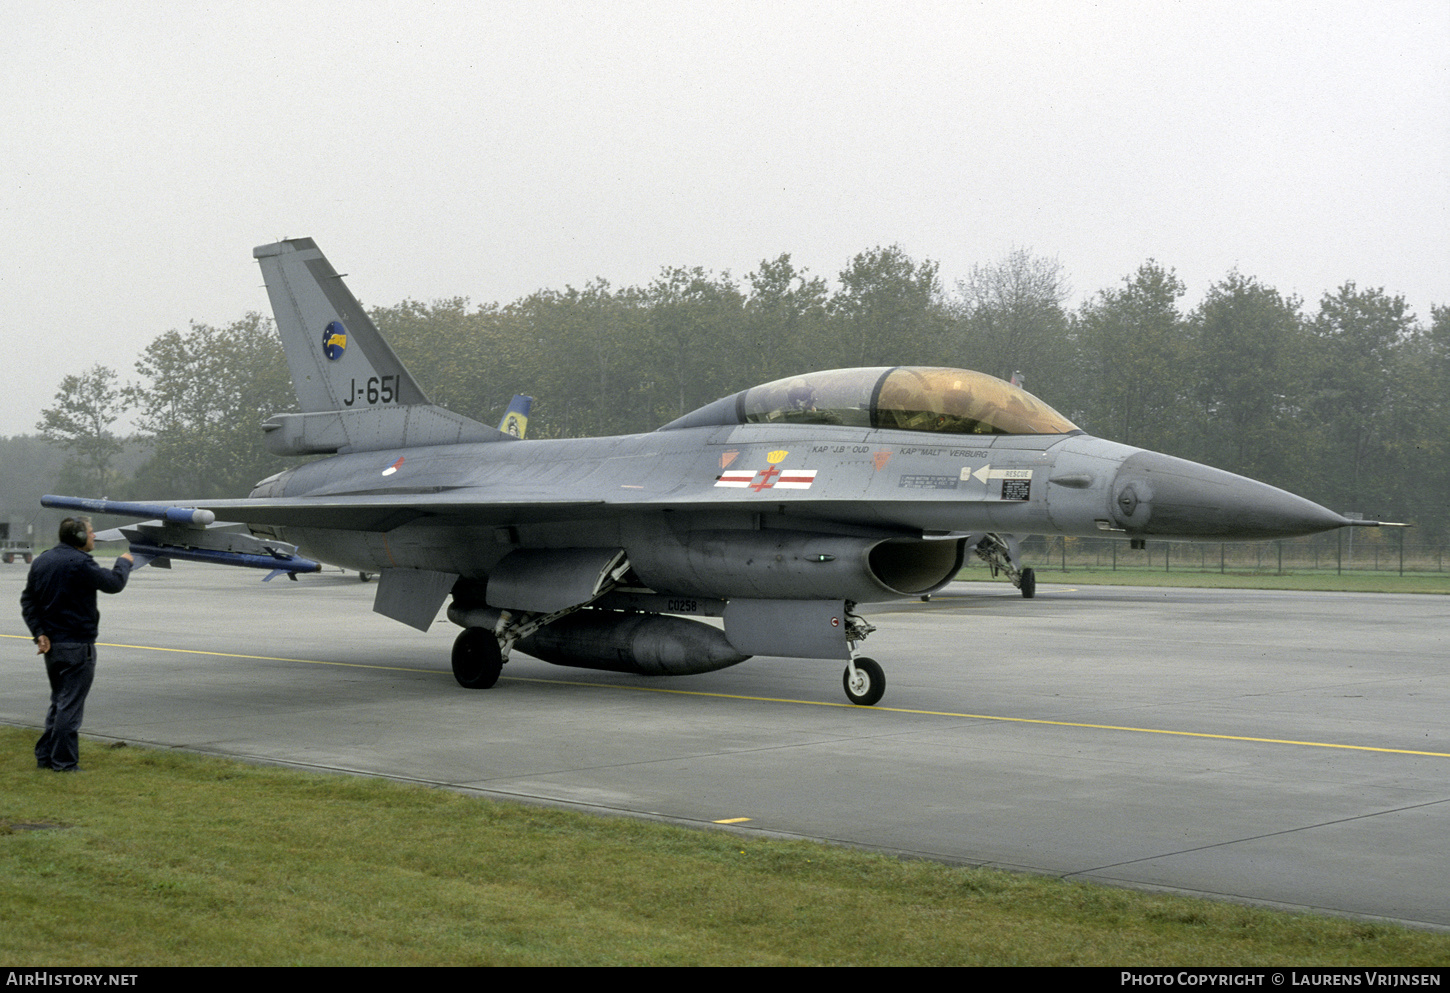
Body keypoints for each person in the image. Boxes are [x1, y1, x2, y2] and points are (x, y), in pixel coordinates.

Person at [19, 517, 134, 772]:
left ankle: (46, 757)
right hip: (77, 647)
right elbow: (113, 584)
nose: (94, 537)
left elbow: (28, 601)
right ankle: (65, 763)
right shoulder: (80, 563)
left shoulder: (42, 560)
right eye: (91, 533)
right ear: (80, 538)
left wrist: (39, 632)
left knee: (59, 702)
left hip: (52, 647)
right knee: (69, 708)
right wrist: (123, 562)